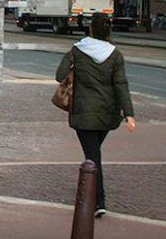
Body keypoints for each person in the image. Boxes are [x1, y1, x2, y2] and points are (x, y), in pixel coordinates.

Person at [56, 12, 136, 218]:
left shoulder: (78, 50)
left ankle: (98, 200)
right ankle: (92, 192)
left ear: (91, 29)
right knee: (94, 153)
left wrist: (73, 63)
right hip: (108, 114)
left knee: (93, 157)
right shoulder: (115, 54)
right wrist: (129, 113)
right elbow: (121, 85)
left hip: (83, 113)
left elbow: (59, 75)